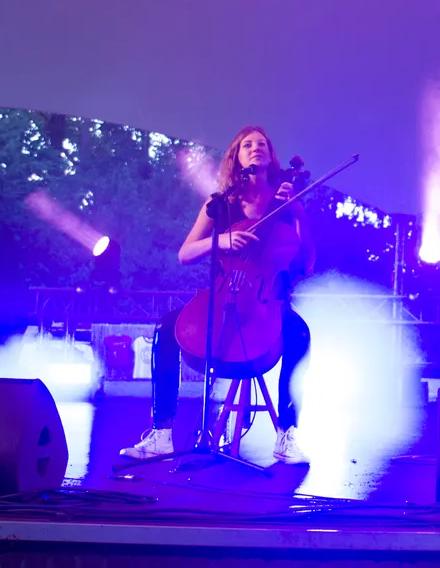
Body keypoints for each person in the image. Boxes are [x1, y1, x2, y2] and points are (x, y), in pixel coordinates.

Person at [120, 125, 315, 464]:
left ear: (270, 156)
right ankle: (162, 433)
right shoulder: (221, 204)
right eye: (247, 144)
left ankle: (287, 433)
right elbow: (185, 253)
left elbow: (307, 262)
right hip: (222, 295)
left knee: (299, 334)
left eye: (262, 144)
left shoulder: (286, 203)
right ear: (237, 157)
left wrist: (298, 214)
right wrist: (221, 241)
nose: (255, 147)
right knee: (166, 329)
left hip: (266, 299)